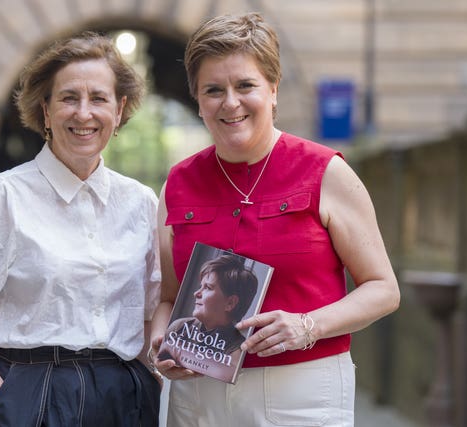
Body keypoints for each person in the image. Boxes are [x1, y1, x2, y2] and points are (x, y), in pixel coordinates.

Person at [149, 12, 400, 427]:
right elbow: (167, 299)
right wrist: (162, 342)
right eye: (213, 90)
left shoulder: (325, 172)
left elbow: (384, 289)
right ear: (197, 99)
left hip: (301, 392)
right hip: (196, 398)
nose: (230, 102)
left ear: (273, 89)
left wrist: (307, 325)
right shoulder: (177, 184)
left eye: (245, 85)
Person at [0, 32, 161, 427]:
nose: (83, 113)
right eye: (69, 97)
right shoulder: (4, 195)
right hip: (30, 394)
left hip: (125, 395)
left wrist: (146, 380)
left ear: (119, 111)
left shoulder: (140, 202)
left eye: (99, 99)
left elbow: (151, 307)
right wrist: (0, 399)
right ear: (46, 110)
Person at [157, 253, 258, 383]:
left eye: (208, 288)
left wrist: (173, 350)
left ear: (230, 303)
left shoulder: (237, 346)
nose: (196, 293)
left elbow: (228, 372)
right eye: (201, 286)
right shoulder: (179, 326)